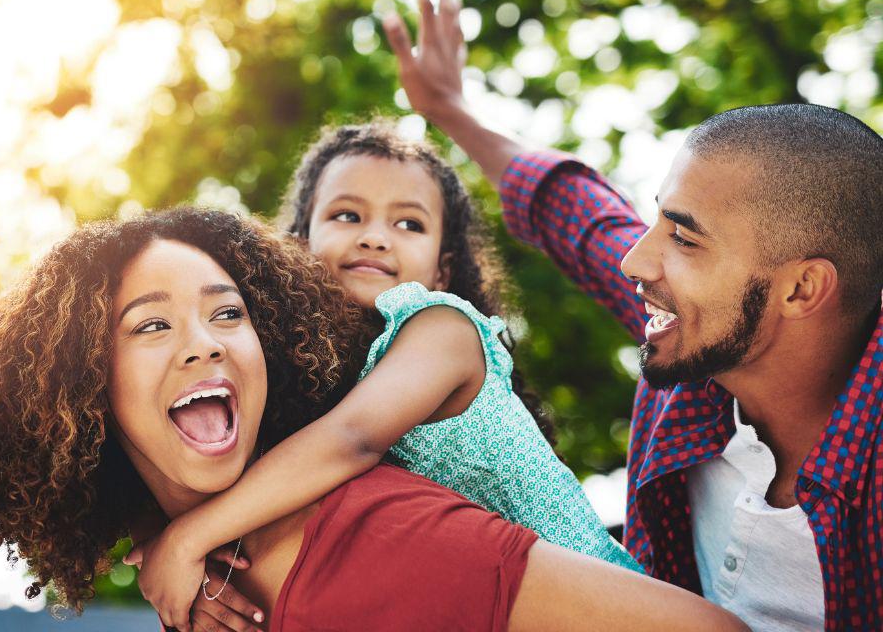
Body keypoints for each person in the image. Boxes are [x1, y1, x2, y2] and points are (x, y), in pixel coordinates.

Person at [0, 207, 745, 631]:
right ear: (83, 392)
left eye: (228, 314)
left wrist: (187, 541)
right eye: (151, 324)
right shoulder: (210, 598)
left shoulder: (367, 528)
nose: (206, 346)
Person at [379, 0, 883, 632]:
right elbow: (577, 213)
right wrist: (450, 110)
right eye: (656, 221)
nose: (636, 260)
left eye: (686, 238)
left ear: (801, 288)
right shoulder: (700, 346)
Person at [127, 121, 639, 631]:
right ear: (299, 243)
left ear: (443, 269)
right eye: (347, 215)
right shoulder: (306, 378)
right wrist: (159, 542)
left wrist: (187, 541)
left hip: (601, 604)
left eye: (409, 225)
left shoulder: (443, 328)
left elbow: (352, 440)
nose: (374, 238)